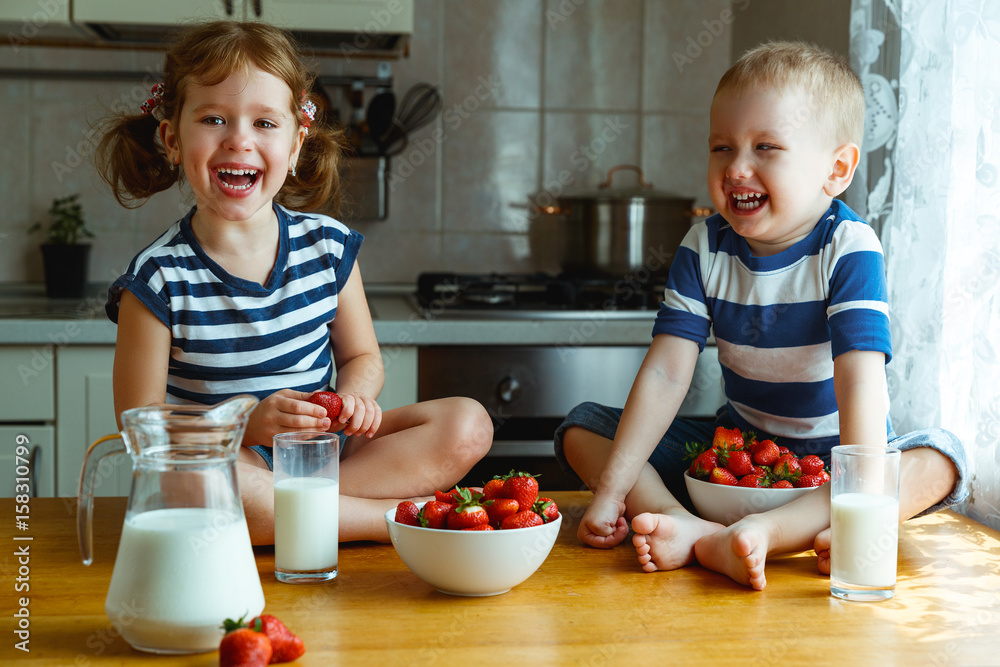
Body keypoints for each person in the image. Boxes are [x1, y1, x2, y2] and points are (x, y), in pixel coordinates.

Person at [554, 41, 969, 590]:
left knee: (943, 458)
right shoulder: (703, 246)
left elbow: (861, 385)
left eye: (766, 147)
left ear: (836, 170)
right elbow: (665, 372)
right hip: (738, 458)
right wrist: (610, 491)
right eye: (721, 147)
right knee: (583, 427)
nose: (737, 168)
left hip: (838, 460)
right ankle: (686, 522)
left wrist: (859, 507)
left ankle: (762, 535)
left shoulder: (848, 247)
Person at [94, 20, 493, 545]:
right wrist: (247, 426)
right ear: (171, 137)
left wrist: (353, 400)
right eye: (214, 118)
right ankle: (389, 519)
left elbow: (362, 359)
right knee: (205, 476)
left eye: (264, 123)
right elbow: (142, 428)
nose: (239, 139)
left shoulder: (328, 248)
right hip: (227, 458)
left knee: (469, 423)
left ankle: (293, 519)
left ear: (297, 143)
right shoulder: (157, 279)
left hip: (325, 452)